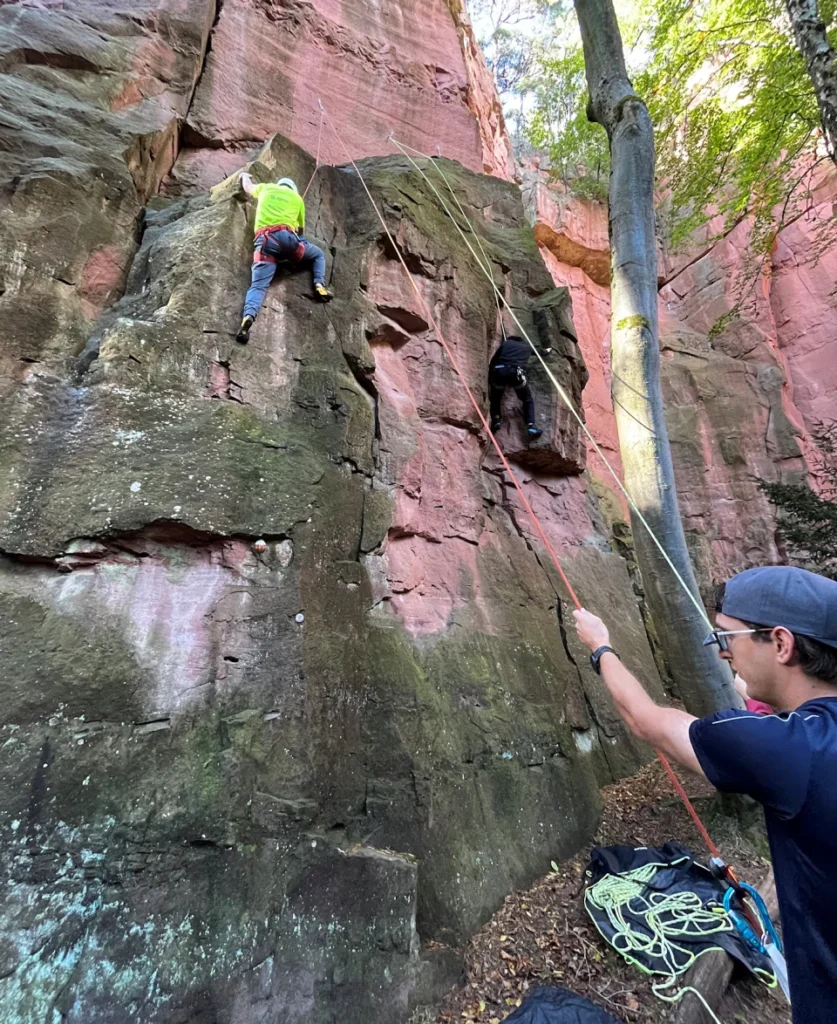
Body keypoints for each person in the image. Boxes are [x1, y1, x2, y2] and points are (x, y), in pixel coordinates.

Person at [572, 565, 837, 1023]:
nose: (722, 654)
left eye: (726, 639)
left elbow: (644, 719)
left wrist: (600, 646)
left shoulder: (786, 749)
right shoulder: (807, 738)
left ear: (780, 643)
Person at [236, 174, 331, 343]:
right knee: (318, 254)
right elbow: (300, 230)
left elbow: (248, 188)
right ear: (293, 189)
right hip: (288, 240)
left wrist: (244, 175)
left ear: (279, 185)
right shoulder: (297, 199)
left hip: (265, 241)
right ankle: (319, 284)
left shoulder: (266, 188)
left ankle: (248, 316)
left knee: (258, 286)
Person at [488, 334, 542, 439]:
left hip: (500, 372)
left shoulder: (505, 344)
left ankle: (496, 420)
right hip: (515, 374)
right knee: (527, 399)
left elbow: (494, 360)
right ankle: (531, 425)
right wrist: (548, 350)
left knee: (496, 398)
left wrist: (491, 377)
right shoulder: (526, 346)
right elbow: (540, 353)